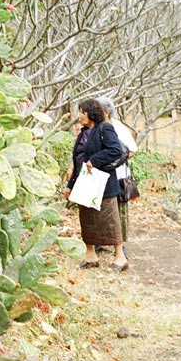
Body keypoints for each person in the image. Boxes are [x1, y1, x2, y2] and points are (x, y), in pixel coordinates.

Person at [63, 99, 129, 272]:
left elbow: (116, 150)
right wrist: (70, 185)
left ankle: (120, 257)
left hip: (103, 183)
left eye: (82, 113)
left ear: (91, 113)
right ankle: (91, 256)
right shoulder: (83, 133)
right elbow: (78, 160)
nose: (79, 116)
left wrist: (95, 160)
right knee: (87, 220)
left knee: (110, 219)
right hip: (84, 183)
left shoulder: (104, 128)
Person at [98, 97, 138, 250]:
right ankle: (100, 241)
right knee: (100, 208)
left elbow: (132, 150)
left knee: (118, 210)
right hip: (99, 175)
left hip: (118, 175)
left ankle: (120, 245)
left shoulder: (118, 127)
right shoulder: (96, 127)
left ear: (106, 112)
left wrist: (112, 162)